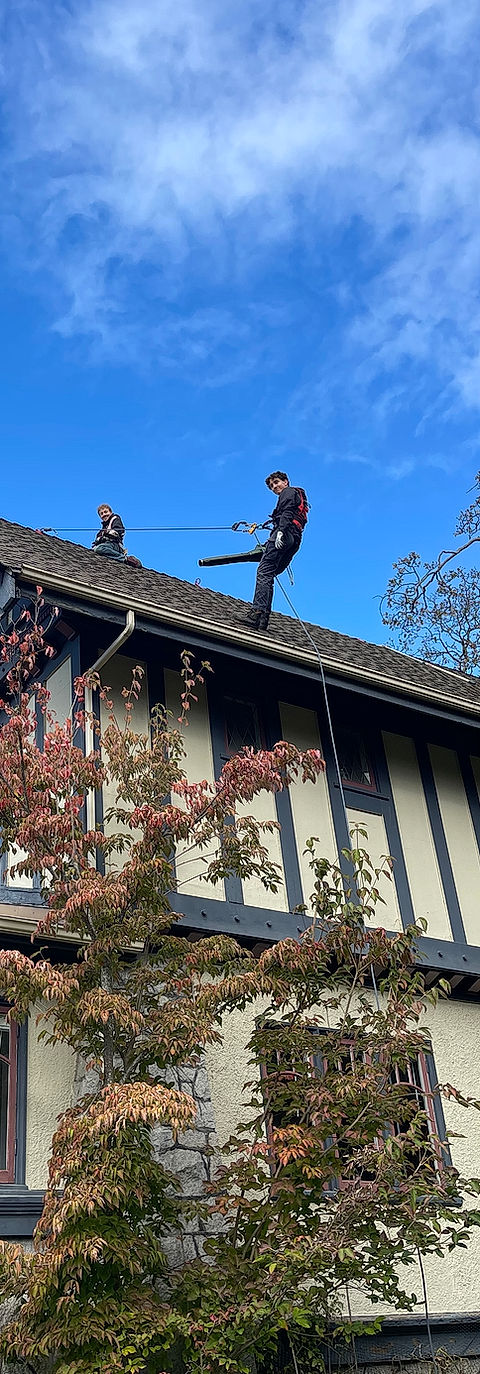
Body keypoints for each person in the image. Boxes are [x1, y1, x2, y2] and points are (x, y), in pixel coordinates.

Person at [242, 472, 308, 631]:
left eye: (277, 482)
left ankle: (257, 612)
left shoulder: (289, 492)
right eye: (272, 486)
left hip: (286, 534)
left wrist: (280, 531)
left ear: (286, 481)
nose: (275, 487)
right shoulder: (299, 496)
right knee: (269, 573)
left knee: (264, 571)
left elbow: (287, 511)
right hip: (295, 538)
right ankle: (263, 620)